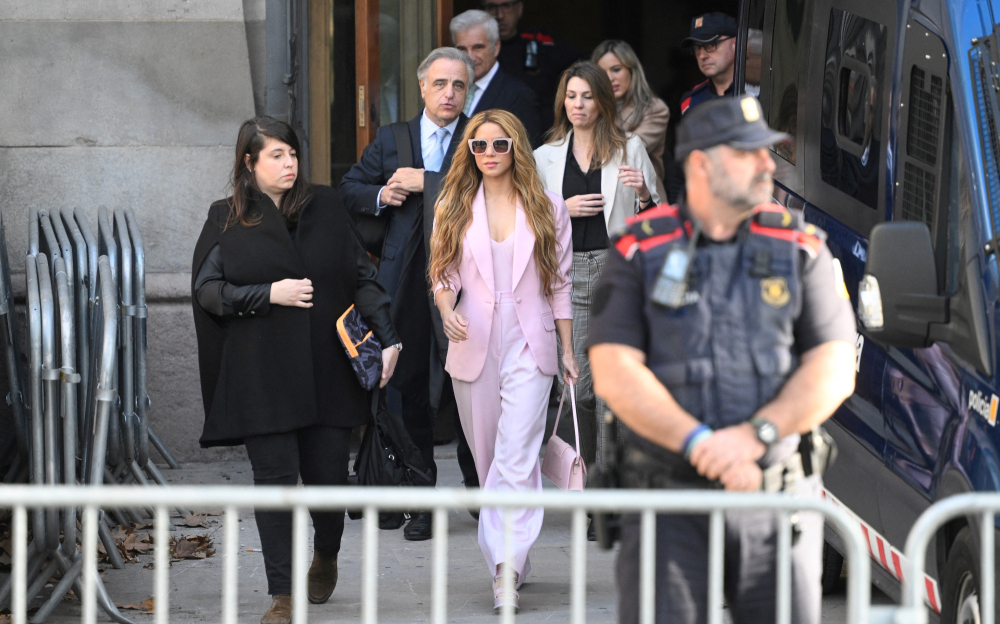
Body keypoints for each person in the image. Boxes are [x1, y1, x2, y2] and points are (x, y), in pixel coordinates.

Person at [587, 96, 857, 624]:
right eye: (748, 154)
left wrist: (752, 436)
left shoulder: (802, 248)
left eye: (767, 153)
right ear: (703, 164)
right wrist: (698, 442)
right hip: (666, 503)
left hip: (772, 499)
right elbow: (615, 370)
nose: (767, 165)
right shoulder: (638, 252)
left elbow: (834, 365)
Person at [192, 117, 401, 624]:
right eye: (276, 156)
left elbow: (360, 273)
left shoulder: (325, 205)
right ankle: (281, 595)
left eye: (292, 154)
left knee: (328, 479)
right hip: (261, 374)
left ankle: (326, 551)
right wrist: (268, 295)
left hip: (327, 370)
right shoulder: (226, 218)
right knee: (275, 481)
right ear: (249, 162)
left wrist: (389, 336)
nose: (289, 165)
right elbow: (207, 292)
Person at [430, 109, 576, 612]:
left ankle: (504, 571)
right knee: (490, 458)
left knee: (516, 456)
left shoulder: (548, 206)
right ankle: (513, 554)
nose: (489, 155)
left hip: (529, 342)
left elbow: (559, 285)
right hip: (473, 340)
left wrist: (569, 350)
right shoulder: (453, 203)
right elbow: (442, 273)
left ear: (516, 147)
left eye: (499, 145)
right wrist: (447, 310)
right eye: (479, 146)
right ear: (469, 153)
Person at [339, 47, 473, 541]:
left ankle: (481, 491)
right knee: (406, 388)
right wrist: (382, 194)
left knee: (466, 389)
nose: (449, 94)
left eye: (459, 85)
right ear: (421, 87)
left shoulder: (480, 137)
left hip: (467, 278)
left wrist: (428, 182)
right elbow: (349, 187)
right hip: (404, 278)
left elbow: (495, 189)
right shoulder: (394, 137)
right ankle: (420, 497)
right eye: (440, 84)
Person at [534, 61, 660, 525]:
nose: (578, 105)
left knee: (612, 391)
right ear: (562, 102)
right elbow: (525, 221)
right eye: (571, 96)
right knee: (581, 388)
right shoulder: (545, 155)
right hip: (568, 278)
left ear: (603, 100)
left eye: (587, 96)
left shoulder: (630, 148)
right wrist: (560, 209)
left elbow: (659, 221)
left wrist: (645, 195)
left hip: (616, 273)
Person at [484, 0, 585, 132]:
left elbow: (583, 62)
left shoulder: (541, 40)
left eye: (506, 6)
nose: (499, 15)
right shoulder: (476, 52)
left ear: (519, 9)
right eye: (491, 7)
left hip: (543, 133)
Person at [592, 39, 670, 202]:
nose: (609, 78)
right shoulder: (591, 109)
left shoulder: (655, 109)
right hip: (603, 200)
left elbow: (627, 151)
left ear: (632, 71)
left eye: (616, 70)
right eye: (601, 72)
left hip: (644, 200)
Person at [452, 10, 543, 147]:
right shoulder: (450, 91)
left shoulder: (519, 96)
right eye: (462, 49)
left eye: (478, 47)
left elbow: (529, 155)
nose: (470, 57)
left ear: (496, 47)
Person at [679, 12, 738, 116]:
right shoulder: (691, 102)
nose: (702, 55)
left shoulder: (758, 93)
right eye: (697, 48)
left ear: (735, 44)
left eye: (711, 44)